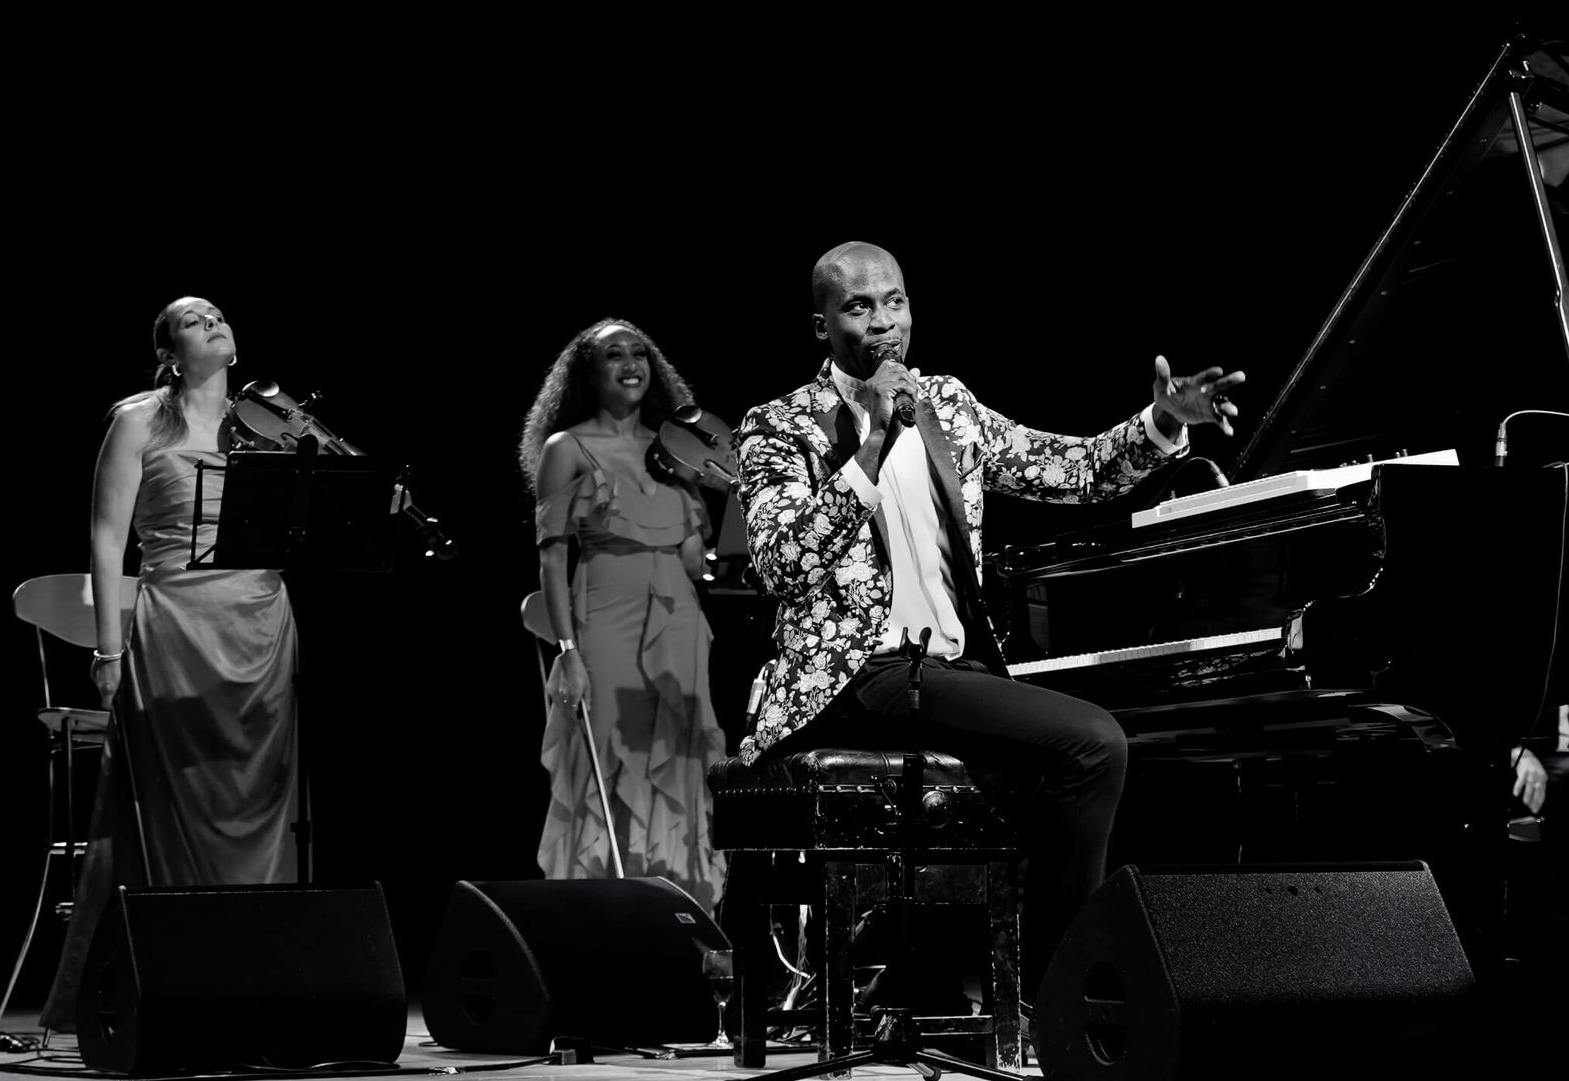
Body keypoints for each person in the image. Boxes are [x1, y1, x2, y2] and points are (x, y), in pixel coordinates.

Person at [734, 241, 1243, 1000]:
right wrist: (871, 444)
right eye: (860, 307)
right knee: (1092, 742)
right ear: (821, 325)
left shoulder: (950, 406)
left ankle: (942, 978)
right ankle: (1060, 991)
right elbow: (781, 563)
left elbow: (1070, 469)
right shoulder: (779, 426)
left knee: (1064, 757)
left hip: (941, 670)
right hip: (853, 675)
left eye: (896, 301)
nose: (884, 324)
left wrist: (1163, 422)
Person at [40, 296, 300, 1031]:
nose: (213, 321)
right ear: (169, 351)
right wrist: (107, 647)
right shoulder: (137, 420)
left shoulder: (274, 429)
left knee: (264, 802)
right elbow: (104, 539)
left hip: (262, 620)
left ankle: (264, 973)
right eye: (193, 320)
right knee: (180, 799)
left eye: (219, 314)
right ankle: (186, 972)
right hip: (179, 620)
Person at [520, 318, 730, 911]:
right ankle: (608, 918)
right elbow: (552, 562)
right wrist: (568, 654)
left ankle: (680, 918)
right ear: (589, 372)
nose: (630, 363)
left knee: (683, 765)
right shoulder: (568, 449)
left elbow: (696, 563)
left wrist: (720, 492)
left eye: (639, 353)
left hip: (680, 626)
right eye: (614, 355)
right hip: (605, 625)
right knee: (613, 762)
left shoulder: (674, 452)